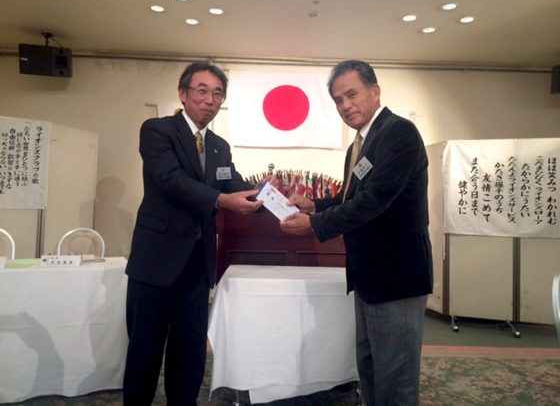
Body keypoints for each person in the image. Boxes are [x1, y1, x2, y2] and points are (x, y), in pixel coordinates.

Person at [280, 60, 433, 405]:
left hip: (397, 276)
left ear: (375, 92)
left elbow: (375, 200)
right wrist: (315, 205)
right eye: (338, 100)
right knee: (370, 367)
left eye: (352, 94)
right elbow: (352, 198)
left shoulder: (399, 133)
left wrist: (314, 225)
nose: (345, 105)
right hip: (367, 275)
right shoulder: (359, 144)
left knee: (396, 378)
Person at [123, 61, 270, 405]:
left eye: (218, 94)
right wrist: (221, 200)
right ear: (183, 93)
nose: (210, 100)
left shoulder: (219, 146)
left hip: (197, 265)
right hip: (156, 261)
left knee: (189, 352)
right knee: (145, 351)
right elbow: (171, 181)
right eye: (202, 91)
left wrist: (261, 192)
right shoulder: (158, 131)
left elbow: (230, 183)